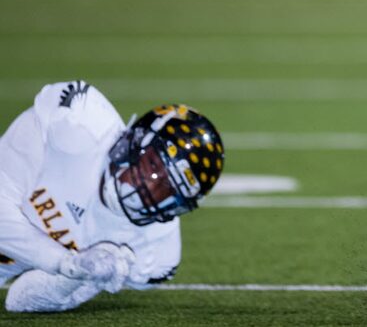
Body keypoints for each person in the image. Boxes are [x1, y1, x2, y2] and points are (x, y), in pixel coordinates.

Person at [0, 80, 224, 313]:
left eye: (167, 187)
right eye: (152, 164)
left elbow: (19, 300)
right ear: (136, 140)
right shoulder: (79, 125)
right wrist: (64, 261)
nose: (149, 185)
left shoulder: (151, 251)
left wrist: (79, 275)